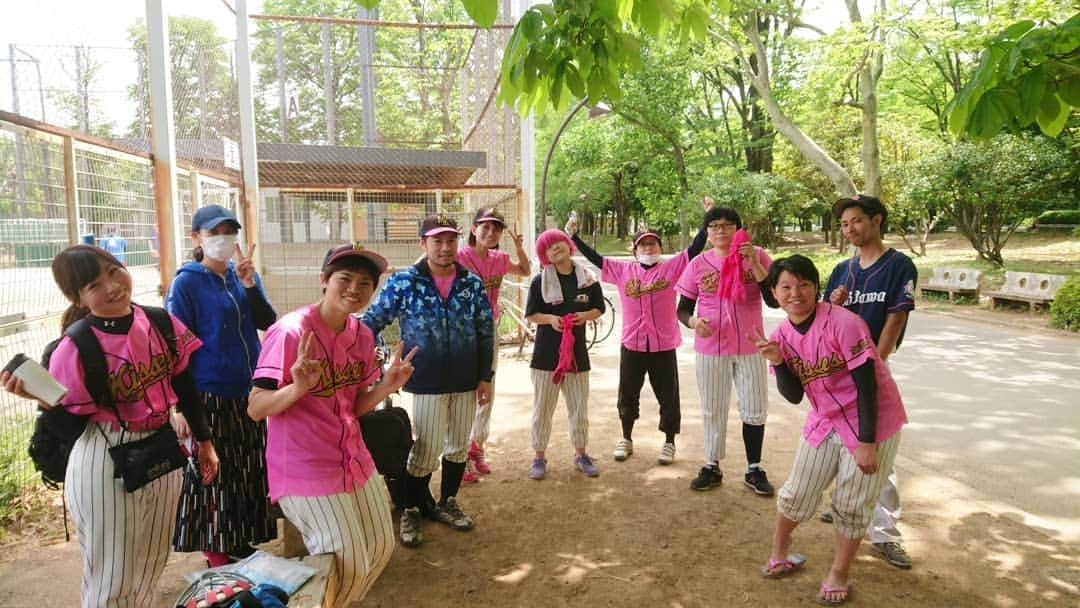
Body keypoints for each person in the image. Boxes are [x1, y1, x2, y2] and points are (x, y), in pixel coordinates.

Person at [1, 244, 218, 608]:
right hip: (104, 456)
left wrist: (204, 441)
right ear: (79, 298)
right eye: (94, 284)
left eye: (114, 271)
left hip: (162, 448)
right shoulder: (74, 345)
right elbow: (70, 429)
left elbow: (184, 386)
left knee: (150, 566)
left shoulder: (161, 323)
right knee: (112, 577)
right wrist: (42, 401)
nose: (113, 287)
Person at [248, 244, 414, 608]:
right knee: (348, 560)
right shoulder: (291, 332)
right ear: (324, 281)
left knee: (381, 547)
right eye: (345, 279)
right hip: (306, 469)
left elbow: (354, 406)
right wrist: (298, 388)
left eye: (365, 282)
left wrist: (385, 386)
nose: (355, 288)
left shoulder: (362, 335)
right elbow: (256, 408)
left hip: (354, 460)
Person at [751, 254, 907, 606]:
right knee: (797, 492)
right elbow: (793, 396)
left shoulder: (844, 322)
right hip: (825, 418)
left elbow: (868, 385)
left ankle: (838, 573)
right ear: (773, 292)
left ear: (815, 287)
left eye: (804, 284)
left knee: (851, 504)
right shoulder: (781, 336)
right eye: (786, 287)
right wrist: (778, 360)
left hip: (873, 420)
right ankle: (779, 553)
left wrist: (866, 443)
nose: (796, 293)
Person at [362, 214, 494, 547]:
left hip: (465, 379)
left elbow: (484, 332)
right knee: (426, 449)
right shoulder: (405, 281)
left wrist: (484, 377)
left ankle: (447, 501)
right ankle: (411, 507)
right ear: (424, 244)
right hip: (426, 379)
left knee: (458, 446)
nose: (445, 248)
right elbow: (371, 322)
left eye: (451, 240)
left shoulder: (471, 283)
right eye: (437, 240)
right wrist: (363, 356)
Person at [167, 204, 278, 567]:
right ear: (196, 237)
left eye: (229, 231)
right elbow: (175, 347)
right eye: (213, 232)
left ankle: (239, 540)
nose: (223, 239)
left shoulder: (241, 274)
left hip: (249, 391)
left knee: (247, 466)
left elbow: (267, 321)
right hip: (209, 392)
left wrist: (249, 284)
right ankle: (216, 552)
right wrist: (180, 407)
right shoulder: (186, 283)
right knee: (214, 469)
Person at [567, 199, 710, 466]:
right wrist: (575, 238)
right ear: (635, 250)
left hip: (663, 344)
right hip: (632, 343)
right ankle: (626, 438)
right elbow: (596, 259)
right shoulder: (622, 270)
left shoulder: (672, 267)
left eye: (652, 243)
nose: (648, 247)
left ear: (660, 247)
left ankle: (669, 442)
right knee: (628, 392)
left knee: (668, 394)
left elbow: (694, 249)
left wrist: (707, 219)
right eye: (643, 244)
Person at [820, 194, 917, 570]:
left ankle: (885, 534)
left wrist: (877, 363)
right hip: (837, 369)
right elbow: (826, 317)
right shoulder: (842, 269)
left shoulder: (898, 266)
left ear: (877, 220)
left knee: (877, 448)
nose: (850, 229)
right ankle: (845, 505)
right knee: (840, 441)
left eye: (857, 221)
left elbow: (896, 317)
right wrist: (837, 302)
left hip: (871, 368)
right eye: (844, 224)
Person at [675, 205, 774, 495]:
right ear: (707, 232)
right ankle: (711, 465)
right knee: (712, 408)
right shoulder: (698, 264)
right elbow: (682, 309)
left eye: (727, 225)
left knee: (755, 408)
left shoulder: (757, 256)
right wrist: (693, 322)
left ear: (738, 229)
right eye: (714, 226)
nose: (721, 230)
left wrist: (754, 262)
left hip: (750, 344)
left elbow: (773, 299)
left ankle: (754, 468)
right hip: (711, 346)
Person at [456, 207, 531, 482]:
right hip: (463, 333)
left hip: (489, 332)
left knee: (488, 390)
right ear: (474, 229)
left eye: (496, 228)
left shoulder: (500, 259)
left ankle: (477, 447)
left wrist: (520, 247)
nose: (490, 232)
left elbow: (524, 270)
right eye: (485, 226)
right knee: (464, 392)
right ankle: (459, 454)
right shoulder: (458, 256)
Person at [524, 228, 605, 480]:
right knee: (542, 409)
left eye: (559, 242)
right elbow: (531, 314)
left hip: (577, 356)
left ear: (568, 244)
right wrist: (550, 319)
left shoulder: (587, 278)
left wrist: (585, 316)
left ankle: (581, 455)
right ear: (544, 254)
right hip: (546, 357)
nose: (555, 247)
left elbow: (599, 307)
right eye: (549, 246)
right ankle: (539, 457)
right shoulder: (540, 281)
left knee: (579, 408)